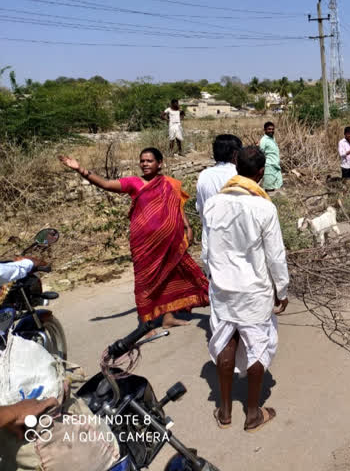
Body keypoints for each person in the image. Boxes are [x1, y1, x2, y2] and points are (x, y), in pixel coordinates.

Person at [59, 149, 209, 328]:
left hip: (169, 242)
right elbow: (106, 184)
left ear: (159, 163)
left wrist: (188, 226)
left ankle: (168, 317)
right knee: (144, 282)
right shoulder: (134, 183)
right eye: (142, 161)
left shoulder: (170, 183)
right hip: (143, 244)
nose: (145, 164)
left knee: (169, 276)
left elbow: (177, 207)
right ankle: (145, 324)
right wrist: (80, 169)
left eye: (149, 161)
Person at [202, 146, 289, 433]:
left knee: (226, 338)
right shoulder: (264, 207)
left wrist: (212, 277)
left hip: (222, 288)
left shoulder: (214, 204)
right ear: (261, 173)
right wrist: (282, 289)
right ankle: (253, 413)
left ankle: (224, 411)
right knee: (257, 345)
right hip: (254, 291)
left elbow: (206, 251)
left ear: (236, 166)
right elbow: (275, 256)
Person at [196, 134, 242, 229]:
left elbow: (200, 208)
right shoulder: (238, 174)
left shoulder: (204, 175)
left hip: (210, 235)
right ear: (235, 154)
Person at [259, 121, 283, 192]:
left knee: (278, 185)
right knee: (269, 188)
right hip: (269, 166)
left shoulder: (272, 138)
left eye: (272, 129)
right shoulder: (264, 140)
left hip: (276, 166)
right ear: (265, 130)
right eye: (269, 129)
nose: (271, 131)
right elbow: (261, 153)